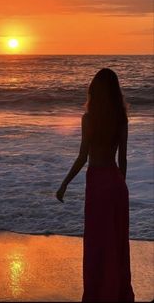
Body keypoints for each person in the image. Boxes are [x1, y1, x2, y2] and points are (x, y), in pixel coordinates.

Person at [56, 68, 135, 302]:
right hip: (117, 185)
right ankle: (117, 293)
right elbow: (123, 159)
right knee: (117, 242)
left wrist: (64, 184)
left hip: (98, 183)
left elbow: (82, 157)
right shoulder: (121, 118)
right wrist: (121, 186)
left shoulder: (88, 119)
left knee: (97, 243)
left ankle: (98, 293)